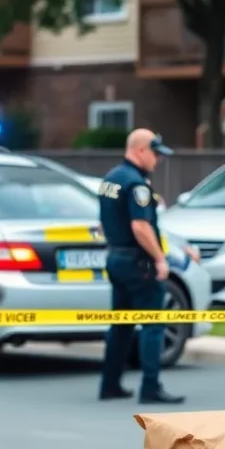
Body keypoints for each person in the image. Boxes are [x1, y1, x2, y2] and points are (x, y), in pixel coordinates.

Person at [97, 128, 185, 404]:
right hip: (138, 263)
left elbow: (105, 222)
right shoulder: (137, 185)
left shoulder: (111, 179)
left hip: (116, 258)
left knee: (121, 324)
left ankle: (110, 384)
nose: (158, 159)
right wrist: (159, 258)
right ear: (140, 150)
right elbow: (140, 226)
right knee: (153, 324)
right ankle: (150, 387)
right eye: (155, 154)